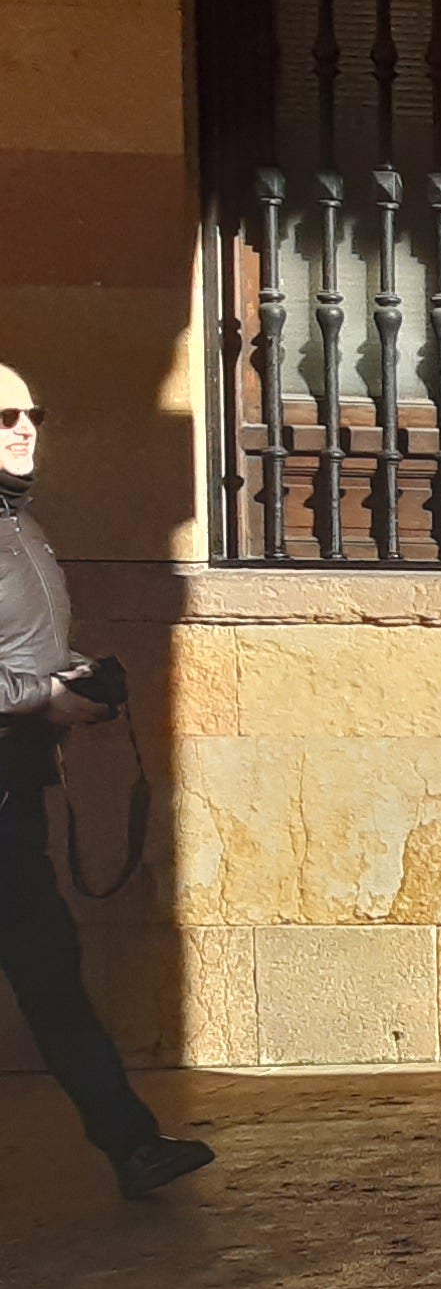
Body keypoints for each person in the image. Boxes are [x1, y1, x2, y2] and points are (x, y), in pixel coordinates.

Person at [0, 366, 209, 1201]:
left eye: (31, 412)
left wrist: (73, 679)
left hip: (12, 801)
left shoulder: (24, 526)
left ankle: (132, 1146)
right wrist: (42, 699)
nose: (22, 428)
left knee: (52, 972)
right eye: (2, 415)